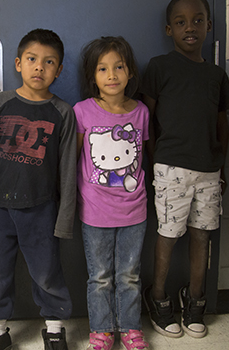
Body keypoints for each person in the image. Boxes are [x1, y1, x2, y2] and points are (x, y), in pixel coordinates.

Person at [0, 28, 76, 350]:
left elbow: (68, 170)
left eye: (49, 62)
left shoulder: (62, 112)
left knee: (47, 272)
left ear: (59, 71)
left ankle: (55, 328)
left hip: (41, 208)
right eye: (32, 59)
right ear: (18, 63)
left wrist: (64, 218)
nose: (39, 68)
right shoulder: (0, 103)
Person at [140, 0, 229, 339]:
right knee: (168, 234)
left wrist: (221, 166)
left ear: (209, 26)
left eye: (197, 20)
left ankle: (195, 298)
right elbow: (145, 119)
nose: (190, 27)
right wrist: (153, 163)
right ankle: (159, 296)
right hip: (170, 167)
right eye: (180, 22)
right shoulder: (159, 67)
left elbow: (222, 123)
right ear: (169, 29)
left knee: (202, 234)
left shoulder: (215, 74)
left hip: (210, 171)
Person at [74, 36, 149, 350]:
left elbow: (144, 152)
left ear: (130, 71)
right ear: (93, 76)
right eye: (103, 69)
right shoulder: (82, 111)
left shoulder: (141, 112)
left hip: (135, 209)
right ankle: (102, 330)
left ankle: (130, 328)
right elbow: (73, 159)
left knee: (129, 275)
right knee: (101, 275)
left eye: (119, 67)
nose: (112, 75)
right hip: (95, 210)